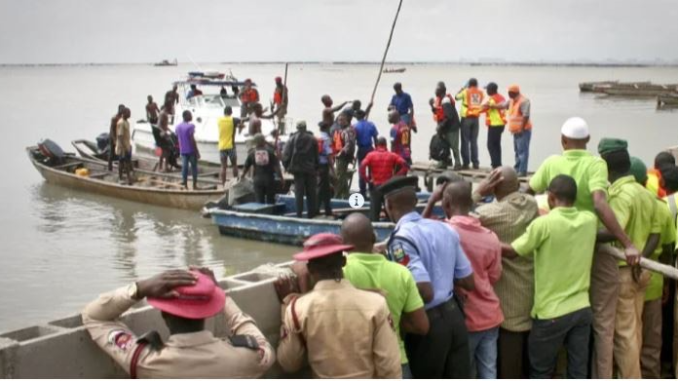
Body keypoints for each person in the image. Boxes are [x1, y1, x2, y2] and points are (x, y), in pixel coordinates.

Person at [527, 118, 641, 378]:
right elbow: (600, 203)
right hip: (594, 248)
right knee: (602, 323)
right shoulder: (595, 163)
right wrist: (628, 244)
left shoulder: (551, 163)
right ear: (588, 141)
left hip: (559, 249)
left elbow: (528, 192)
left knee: (561, 307)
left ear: (562, 140)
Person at [82, 267, 275, 378]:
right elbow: (262, 345)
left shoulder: (144, 361)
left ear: (164, 315)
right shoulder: (246, 357)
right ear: (207, 312)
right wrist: (221, 295)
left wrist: (139, 288)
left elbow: (94, 316)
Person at [502, 175, 597, 378]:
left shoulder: (543, 225)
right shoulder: (589, 221)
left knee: (541, 370)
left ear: (551, 197)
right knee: (578, 370)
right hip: (582, 309)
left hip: (550, 313)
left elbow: (512, 251)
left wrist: (486, 239)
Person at [381, 175, 475, 378]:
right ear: (415, 202)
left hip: (429, 326)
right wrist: (440, 271)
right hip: (455, 318)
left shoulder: (400, 241)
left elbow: (425, 292)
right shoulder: (444, 228)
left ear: (388, 205)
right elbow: (469, 281)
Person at [275, 233, 402, 378]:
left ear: (310, 268)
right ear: (343, 261)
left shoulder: (296, 309)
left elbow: (289, 363)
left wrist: (287, 303)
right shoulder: (376, 304)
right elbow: (389, 367)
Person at [597, 138, 660, 379]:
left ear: (606, 166)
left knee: (624, 335)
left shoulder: (621, 195)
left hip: (623, 271)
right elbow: (655, 232)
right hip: (641, 270)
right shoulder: (646, 194)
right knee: (636, 330)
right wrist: (641, 259)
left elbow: (615, 230)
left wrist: (582, 232)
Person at [341, 213, 430, 379]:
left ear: (341, 244)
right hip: (395, 362)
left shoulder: (340, 275)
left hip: (356, 366)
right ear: (374, 237)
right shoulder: (401, 273)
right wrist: (392, 322)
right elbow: (421, 326)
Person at [473, 166, 539, 379]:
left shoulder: (489, 214)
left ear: (493, 186)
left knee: (508, 363)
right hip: (530, 292)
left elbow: (458, 215)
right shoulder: (531, 205)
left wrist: (478, 192)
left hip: (507, 298)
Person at [439, 181, 503, 379]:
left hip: (464, 318)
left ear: (446, 203)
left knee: (464, 371)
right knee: (489, 370)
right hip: (490, 315)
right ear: (472, 204)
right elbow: (494, 276)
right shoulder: (490, 237)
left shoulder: (443, 232)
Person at [628, 157, 678, 378]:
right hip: (654, 282)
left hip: (625, 280)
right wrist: (667, 280)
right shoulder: (660, 206)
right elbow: (667, 247)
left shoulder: (615, 204)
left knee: (627, 337)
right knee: (652, 339)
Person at [359, 137, 408, 221]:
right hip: (388, 186)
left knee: (374, 212)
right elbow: (405, 164)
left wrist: (367, 180)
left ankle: (374, 227)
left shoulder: (371, 155)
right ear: (386, 145)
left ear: (376, 145)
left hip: (376, 186)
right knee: (390, 210)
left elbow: (362, 166)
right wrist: (396, 176)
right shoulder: (392, 155)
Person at [489, 84, 531, 176]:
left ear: (514, 92)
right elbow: (503, 105)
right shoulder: (511, 101)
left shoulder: (524, 101)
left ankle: (522, 171)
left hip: (523, 130)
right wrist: (493, 106)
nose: (508, 94)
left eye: (510, 92)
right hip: (515, 131)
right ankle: (517, 168)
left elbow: (526, 116)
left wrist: (521, 128)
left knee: (523, 151)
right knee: (517, 151)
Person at [282, 121, 319, 218]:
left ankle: (299, 215)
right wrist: (316, 167)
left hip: (297, 170)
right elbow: (316, 156)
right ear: (305, 127)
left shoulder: (292, 139)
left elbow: (285, 155)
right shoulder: (313, 139)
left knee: (299, 194)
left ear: (297, 128)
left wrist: (287, 167)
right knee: (311, 193)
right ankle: (311, 215)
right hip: (310, 169)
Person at [241, 134, 283, 204]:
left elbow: (246, 167)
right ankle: (270, 213)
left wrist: (242, 176)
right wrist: (281, 178)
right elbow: (277, 167)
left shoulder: (252, 153)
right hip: (269, 179)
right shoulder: (270, 152)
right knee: (271, 201)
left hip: (257, 180)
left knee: (259, 201)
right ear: (263, 141)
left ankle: (260, 213)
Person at [430, 84, 461, 169]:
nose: (435, 92)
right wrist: (431, 106)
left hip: (452, 127)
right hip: (445, 127)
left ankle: (458, 163)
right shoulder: (440, 100)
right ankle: (445, 162)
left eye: (437, 90)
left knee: (454, 146)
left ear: (441, 91)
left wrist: (441, 125)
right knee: (444, 145)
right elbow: (438, 112)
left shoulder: (446, 101)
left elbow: (449, 116)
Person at [456, 78, 484, 170]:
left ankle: (466, 163)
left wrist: (462, 89)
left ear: (469, 84)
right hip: (476, 118)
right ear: (476, 84)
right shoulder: (481, 93)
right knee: (474, 141)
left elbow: (456, 97)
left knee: (465, 141)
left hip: (466, 117)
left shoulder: (466, 91)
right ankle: (475, 163)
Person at [481, 82, 507, 169]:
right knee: (497, 144)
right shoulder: (501, 97)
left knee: (491, 145)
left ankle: (495, 165)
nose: (486, 91)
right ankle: (498, 163)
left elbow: (482, 109)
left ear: (491, 90)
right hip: (501, 124)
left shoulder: (492, 99)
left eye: (487, 89)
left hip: (494, 124)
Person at [353, 109, 379, 196]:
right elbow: (375, 138)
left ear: (358, 116)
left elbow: (353, 140)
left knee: (362, 170)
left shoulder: (355, 126)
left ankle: (363, 192)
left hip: (361, 150)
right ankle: (372, 190)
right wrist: (377, 149)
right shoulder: (371, 125)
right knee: (372, 171)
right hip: (370, 149)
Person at [331, 113, 356, 199]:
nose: (340, 122)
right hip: (337, 155)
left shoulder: (348, 130)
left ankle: (337, 196)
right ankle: (345, 195)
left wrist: (341, 152)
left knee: (340, 176)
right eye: (339, 120)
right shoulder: (339, 130)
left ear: (346, 121)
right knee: (342, 176)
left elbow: (349, 144)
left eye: (342, 120)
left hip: (343, 156)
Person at [218, 106, 243, 184]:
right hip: (231, 146)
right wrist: (240, 126)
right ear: (231, 112)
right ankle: (235, 182)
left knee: (223, 166)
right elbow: (241, 122)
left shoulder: (219, 120)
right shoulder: (233, 120)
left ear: (224, 112)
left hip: (222, 146)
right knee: (234, 165)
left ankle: (223, 184)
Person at [175, 110, 200, 189]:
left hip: (183, 150)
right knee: (194, 168)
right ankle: (194, 185)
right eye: (190, 115)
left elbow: (177, 137)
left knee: (184, 168)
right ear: (186, 116)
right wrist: (197, 151)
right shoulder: (191, 126)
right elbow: (192, 139)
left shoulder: (178, 126)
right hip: (191, 150)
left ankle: (185, 184)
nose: (191, 116)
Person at [316, 121, 334, 216]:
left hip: (317, 165)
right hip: (324, 165)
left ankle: (328, 209)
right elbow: (329, 155)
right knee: (320, 187)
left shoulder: (316, 137)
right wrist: (332, 169)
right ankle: (316, 208)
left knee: (326, 188)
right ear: (327, 128)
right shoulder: (326, 139)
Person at [116, 107, 133, 185]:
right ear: (124, 113)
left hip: (127, 145)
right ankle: (120, 178)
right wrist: (124, 147)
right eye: (128, 113)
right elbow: (120, 136)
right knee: (122, 162)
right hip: (122, 147)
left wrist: (128, 145)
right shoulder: (121, 123)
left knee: (127, 162)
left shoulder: (127, 122)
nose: (130, 114)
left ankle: (128, 177)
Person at [108, 104, 125, 171]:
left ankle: (122, 168)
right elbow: (111, 130)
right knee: (111, 153)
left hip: (119, 137)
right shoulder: (114, 118)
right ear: (119, 109)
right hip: (113, 137)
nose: (123, 111)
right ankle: (110, 168)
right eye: (122, 109)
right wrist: (114, 140)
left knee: (121, 153)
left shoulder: (122, 118)